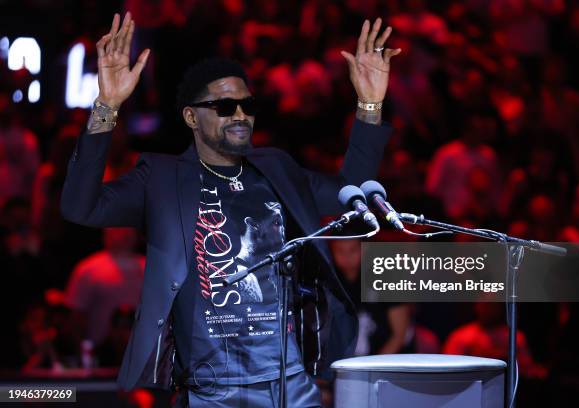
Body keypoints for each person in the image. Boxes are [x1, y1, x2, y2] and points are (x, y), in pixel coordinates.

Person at [61, 12, 400, 407]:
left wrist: (370, 104)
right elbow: (79, 207)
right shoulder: (161, 178)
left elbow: (352, 194)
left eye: (246, 105)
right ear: (191, 116)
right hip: (212, 388)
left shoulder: (277, 169)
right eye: (224, 106)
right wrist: (105, 106)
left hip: (290, 380)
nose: (240, 115)